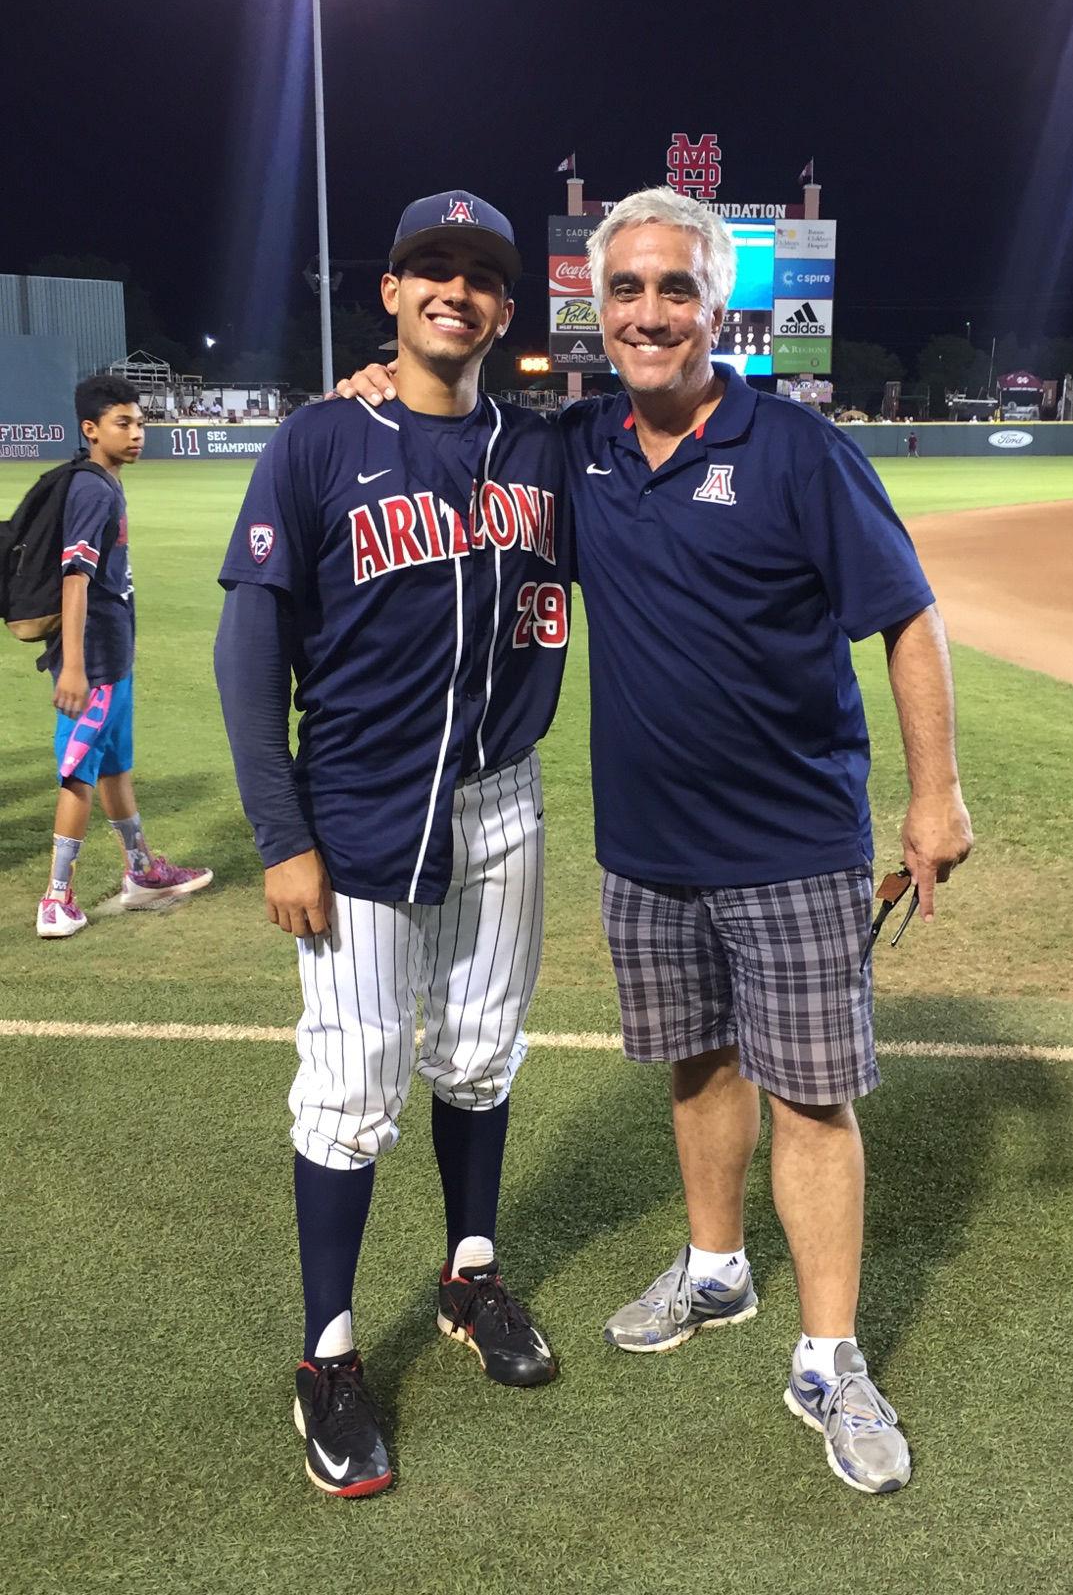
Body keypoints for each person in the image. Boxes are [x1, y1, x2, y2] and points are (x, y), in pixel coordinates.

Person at [342, 186, 972, 1496]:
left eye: (673, 290)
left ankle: (830, 1352)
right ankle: (717, 1268)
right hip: (648, 850)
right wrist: (383, 381)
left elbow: (908, 615)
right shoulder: (574, 450)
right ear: (596, 308)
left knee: (811, 1095)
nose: (647, 314)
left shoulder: (797, 451)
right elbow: (452, 434)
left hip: (794, 843)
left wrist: (934, 795)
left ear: (716, 305)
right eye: (625, 291)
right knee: (693, 1068)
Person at [214, 191, 568, 1499]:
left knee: (479, 1056)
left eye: (479, 274)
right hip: (357, 810)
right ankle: (329, 1356)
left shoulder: (544, 452)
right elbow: (249, 649)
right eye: (431, 267)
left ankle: (470, 1278)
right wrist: (279, 837)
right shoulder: (319, 444)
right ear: (390, 289)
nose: (454, 291)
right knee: (352, 1090)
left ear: (506, 311)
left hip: (503, 804)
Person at [36, 375, 212, 940]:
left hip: (114, 655)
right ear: (90, 430)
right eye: (123, 423)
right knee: (78, 771)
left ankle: (141, 871)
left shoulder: (108, 483)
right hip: (95, 664)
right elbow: (74, 579)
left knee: (113, 764)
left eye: (139, 422)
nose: (137, 433)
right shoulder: (93, 489)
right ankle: (56, 899)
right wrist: (73, 666)